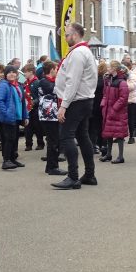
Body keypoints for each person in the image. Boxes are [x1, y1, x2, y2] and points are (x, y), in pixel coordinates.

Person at [52, 23, 98, 190]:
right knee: (82, 136)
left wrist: (64, 105)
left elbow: (73, 81)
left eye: (67, 35)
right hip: (83, 100)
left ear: (76, 35)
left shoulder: (78, 53)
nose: (65, 38)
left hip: (76, 101)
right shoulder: (83, 52)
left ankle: (73, 176)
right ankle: (89, 174)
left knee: (66, 136)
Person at [0, 65, 29, 170]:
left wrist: (25, 116)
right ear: (6, 74)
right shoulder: (4, 85)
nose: (12, 74)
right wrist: (6, 114)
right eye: (9, 72)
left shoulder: (18, 85)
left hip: (17, 116)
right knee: (8, 139)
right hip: (8, 118)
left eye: (13, 72)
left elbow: (22, 102)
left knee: (14, 139)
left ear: (17, 74)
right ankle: (6, 161)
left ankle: (13, 159)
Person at [100, 61, 130, 164]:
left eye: (109, 67)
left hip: (118, 112)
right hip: (109, 110)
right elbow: (105, 94)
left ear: (114, 69)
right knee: (109, 133)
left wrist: (114, 108)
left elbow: (123, 98)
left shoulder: (121, 82)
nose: (108, 68)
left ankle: (120, 156)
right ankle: (108, 154)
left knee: (119, 134)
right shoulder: (108, 80)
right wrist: (103, 104)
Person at [37, 61, 63, 175]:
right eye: (56, 68)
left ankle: (52, 166)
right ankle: (52, 167)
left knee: (55, 141)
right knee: (53, 141)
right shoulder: (44, 81)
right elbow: (55, 90)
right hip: (48, 116)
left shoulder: (53, 81)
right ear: (51, 69)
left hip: (53, 115)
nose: (57, 70)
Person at [22, 63, 44, 151]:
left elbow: (40, 96)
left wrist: (34, 102)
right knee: (27, 127)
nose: (24, 74)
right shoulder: (25, 83)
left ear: (31, 72)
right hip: (27, 108)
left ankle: (40, 143)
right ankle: (28, 144)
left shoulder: (37, 82)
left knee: (38, 127)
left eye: (26, 72)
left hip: (35, 108)